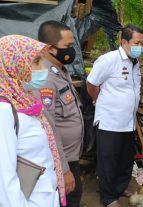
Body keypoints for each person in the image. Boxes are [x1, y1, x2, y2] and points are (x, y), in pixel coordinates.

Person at [0, 35, 66, 207]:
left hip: (44, 196)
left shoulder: (26, 102)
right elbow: (4, 182)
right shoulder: (4, 111)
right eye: (36, 61)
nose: (43, 67)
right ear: (14, 66)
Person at [86, 24, 143, 207]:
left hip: (128, 122)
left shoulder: (135, 64)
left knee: (125, 159)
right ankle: (109, 197)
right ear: (124, 41)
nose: (140, 47)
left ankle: (120, 188)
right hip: (110, 122)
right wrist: (99, 101)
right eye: (137, 43)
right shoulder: (108, 60)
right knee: (108, 161)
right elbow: (91, 84)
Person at [35, 20, 84, 207]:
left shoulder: (61, 70)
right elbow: (48, 126)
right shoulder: (44, 77)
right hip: (59, 158)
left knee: (72, 196)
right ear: (50, 48)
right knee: (69, 198)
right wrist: (63, 169)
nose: (72, 51)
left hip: (70, 154)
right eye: (68, 46)